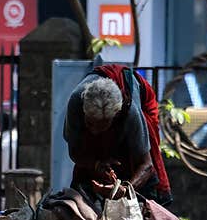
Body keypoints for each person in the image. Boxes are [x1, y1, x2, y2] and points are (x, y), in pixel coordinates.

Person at [62, 62, 173, 206]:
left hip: (140, 107)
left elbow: (146, 165)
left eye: (101, 126)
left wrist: (125, 189)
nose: (94, 131)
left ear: (115, 116)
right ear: (84, 112)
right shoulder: (76, 102)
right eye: (90, 123)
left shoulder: (130, 110)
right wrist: (97, 165)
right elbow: (74, 151)